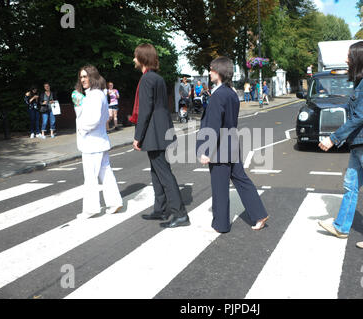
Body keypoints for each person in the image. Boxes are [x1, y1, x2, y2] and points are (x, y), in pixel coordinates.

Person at [318, 41, 363, 250]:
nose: (346, 60)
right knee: (350, 186)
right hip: (360, 144)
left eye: (350, 56)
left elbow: (359, 116)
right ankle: (341, 226)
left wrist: (333, 138)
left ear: (361, 58)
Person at [196, 56, 269, 233]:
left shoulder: (217, 96)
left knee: (220, 188)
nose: (210, 72)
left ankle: (220, 225)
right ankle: (259, 214)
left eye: (212, 69)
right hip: (231, 144)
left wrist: (206, 150)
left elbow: (213, 125)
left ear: (219, 72)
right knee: (241, 180)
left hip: (219, 149)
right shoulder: (231, 94)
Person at [132, 43, 190, 229]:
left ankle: (180, 214)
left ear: (142, 58)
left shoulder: (147, 79)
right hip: (161, 130)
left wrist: (137, 136)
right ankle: (161, 209)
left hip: (154, 133)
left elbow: (145, 110)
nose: (133, 59)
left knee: (163, 173)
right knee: (156, 172)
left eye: (135, 56)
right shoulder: (157, 78)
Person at [74, 65, 123, 219]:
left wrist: (82, 129)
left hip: (92, 142)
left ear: (92, 77)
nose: (82, 80)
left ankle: (91, 209)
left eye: (85, 76)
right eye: (81, 77)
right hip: (99, 140)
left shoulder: (94, 95)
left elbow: (93, 119)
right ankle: (114, 202)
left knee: (90, 177)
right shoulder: (99, 94)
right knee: (106, 173)